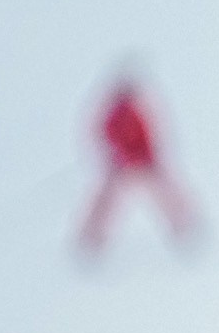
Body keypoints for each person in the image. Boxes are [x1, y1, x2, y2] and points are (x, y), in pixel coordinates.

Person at [75, 65, 199, 255]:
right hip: (124, 165)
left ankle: (184, 223)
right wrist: (119, 156)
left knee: (164, 193)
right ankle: (92, 235)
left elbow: (146, 136)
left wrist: (146, 157)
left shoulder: (132, 111)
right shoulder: (117, 114)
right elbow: (107, 135)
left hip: (141, 162)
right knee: (108, 200)